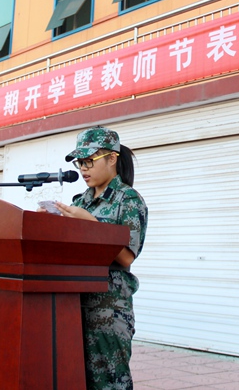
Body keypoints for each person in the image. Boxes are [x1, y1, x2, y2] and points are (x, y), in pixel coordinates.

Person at [52, 126, 148, 390]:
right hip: (73, 304)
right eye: (80, 163)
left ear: (112, 158)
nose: (84, 169)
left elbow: (126, 257)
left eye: (90, 161)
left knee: (110, 383)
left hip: (108, 311)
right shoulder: (80, 202)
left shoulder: (128, 200)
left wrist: (92, 225)